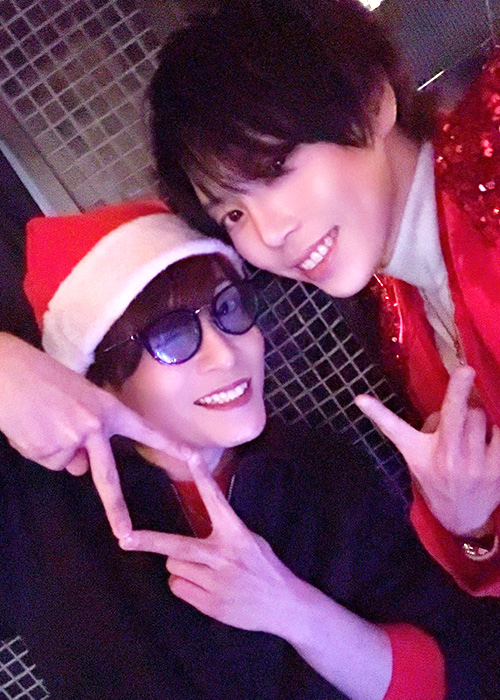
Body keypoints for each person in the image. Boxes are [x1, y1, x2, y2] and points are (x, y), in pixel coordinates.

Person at [2, 199, 499, 700]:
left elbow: (457, 672)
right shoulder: (39, 513)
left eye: (228, 309)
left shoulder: (320, 470)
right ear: (100, 381)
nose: (226, 353)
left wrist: (292, 610)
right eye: (171, 336)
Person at [142, 0, 500, 596]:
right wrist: (470, 523)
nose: (268, 234)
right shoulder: (398, 314)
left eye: (276, 166)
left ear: (374, 102)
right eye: (233, 214)